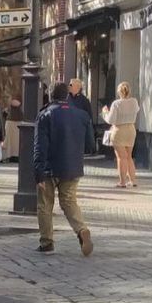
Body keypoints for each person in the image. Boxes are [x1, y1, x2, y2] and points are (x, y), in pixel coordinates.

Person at [33, 82, 96, 255]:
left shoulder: (45, 115)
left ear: (51, 97)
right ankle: (81, 229)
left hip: (49, 167)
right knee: (69, 201)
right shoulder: (82, 115)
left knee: (45, 204)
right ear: (67, 96)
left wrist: (38, 172)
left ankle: (47, 242)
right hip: (72, 166)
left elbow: (40, 145)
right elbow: (90, 144)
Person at [107, 82, 141, 188]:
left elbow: (111, 120)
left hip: (119, 130)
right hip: (131, 129)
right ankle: (133, 180)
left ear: (119, 92)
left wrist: (105, 113)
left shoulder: (116, 104)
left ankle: (122, 182)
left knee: (121, 157)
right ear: (129, 91)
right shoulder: (134, 102)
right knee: (129, 156)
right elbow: (137, 111)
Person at [68, 77, 97, 149]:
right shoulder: (66, 98)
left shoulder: (84, 100)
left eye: (71, 85)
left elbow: (89, 115)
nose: (69, 86)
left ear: (77, 87)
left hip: (79, 126)